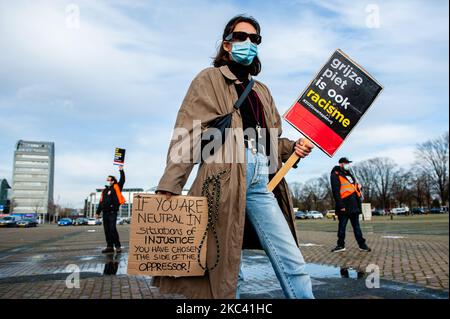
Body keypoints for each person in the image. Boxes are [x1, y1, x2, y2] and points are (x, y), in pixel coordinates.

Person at [153, 14, 315, 299]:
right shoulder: (209, 78)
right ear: (227, 44)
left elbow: (270, 142)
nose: (248, 43)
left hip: (261, 181)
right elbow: (188, 133)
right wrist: (170, 185)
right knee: (227, 269)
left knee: (292, 260)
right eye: (241, 36)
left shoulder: (261, 90)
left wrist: (293, 148)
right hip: (221, 179)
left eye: (255, 39)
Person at [330, 157, 371, 252]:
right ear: (341, 164)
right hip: (344, 204)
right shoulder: (335, 174)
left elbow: (353, 188)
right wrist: (341, 205)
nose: (348, 165)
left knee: (357, 226)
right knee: (342, 227)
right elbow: (336, 191)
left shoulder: (350, 174)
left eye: (348, 163)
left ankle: (362, 245)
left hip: (354, 204)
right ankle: (340, 245)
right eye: (346, 163)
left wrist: (359, 187)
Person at [96, 166, 125, 254]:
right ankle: (109, 246)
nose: (108, 181)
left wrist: (121, 170)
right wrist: (98, 212)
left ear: (113, 181)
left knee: (112, 229)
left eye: (109, 180)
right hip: (105, 212)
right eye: (107, 180)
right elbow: (101, 202)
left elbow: (123, 180)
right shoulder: (105, 190)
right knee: (107, 230)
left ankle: (117, 246)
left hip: (113, 212)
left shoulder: (117, 187)